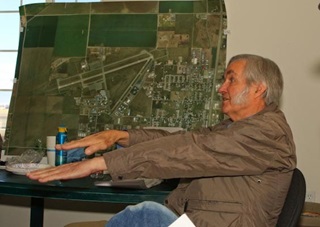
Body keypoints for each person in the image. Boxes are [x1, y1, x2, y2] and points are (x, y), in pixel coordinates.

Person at [27, 54, 296, 227]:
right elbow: (182, 140)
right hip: (193, 220)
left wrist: (103, 163)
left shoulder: (266, 133)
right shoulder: (234, 128)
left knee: (143, 214)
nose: (221, 88)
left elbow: (192, 151)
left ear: (258, 88)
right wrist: (122, 136)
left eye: (231, 79)